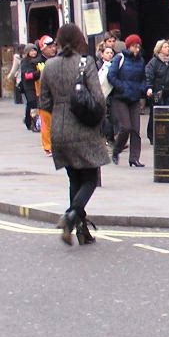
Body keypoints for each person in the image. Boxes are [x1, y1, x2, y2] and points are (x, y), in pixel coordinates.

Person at [37, 23, 109, 245]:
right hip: (83, 128)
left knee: (74, 179)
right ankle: (71, 215)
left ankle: (82, 232)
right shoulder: (84, 64)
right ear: (79, 40)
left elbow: (45, 102)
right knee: (90, 178)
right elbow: (98, 98)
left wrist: (60, 112)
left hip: (59, 129)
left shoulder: (48, 66)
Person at [107, 33, 147, 167]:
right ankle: (116, 150)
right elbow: (111, 76)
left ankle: (134, 158)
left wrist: (143, 88)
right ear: (129, 46)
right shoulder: (120, 58)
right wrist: (122, 87)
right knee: (126, 127)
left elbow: (143, 78)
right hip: (120, 98)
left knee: (135, 129)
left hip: (134, 98)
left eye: (138, 46)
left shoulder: (141, 61)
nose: (137, 49)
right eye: (134, 46)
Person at [36, 34, 58, 156]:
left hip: (57, 95)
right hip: (43, 96)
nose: (53, 49)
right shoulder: (37, 62)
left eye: (53, 46)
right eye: (49, 47)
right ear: (43, 48)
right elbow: (28, 77)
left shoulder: (58, 60)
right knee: (46, 124)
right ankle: (48, 146)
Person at [20, 45, 41, 131]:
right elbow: (27, 76)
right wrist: (39, 73)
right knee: (33, 104)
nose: (33, 53)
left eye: (34, 50)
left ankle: (28, 121)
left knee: (30, 105)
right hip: (29, 86)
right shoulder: (25, 62)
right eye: (31, 51)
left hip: (38, 86)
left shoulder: (38, 60)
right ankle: (33, 124)